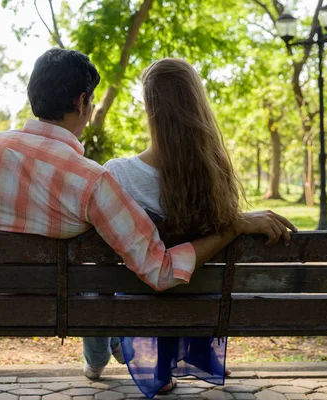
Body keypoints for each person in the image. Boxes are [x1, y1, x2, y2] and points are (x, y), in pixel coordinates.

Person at [0, 48, 296, 386]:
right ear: (82, 102)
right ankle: (120, 347)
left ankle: (109, 350)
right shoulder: (91, 180)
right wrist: (234, 226)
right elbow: (160, 270)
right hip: (65, 307)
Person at [92, 58, 291, 397]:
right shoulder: (215, 176)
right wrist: (238, 224)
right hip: (200, 305)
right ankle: (188, 354)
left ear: (148, 108)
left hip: (138, 303)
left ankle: (110, 361)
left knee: (104, 279)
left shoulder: (118, 174)